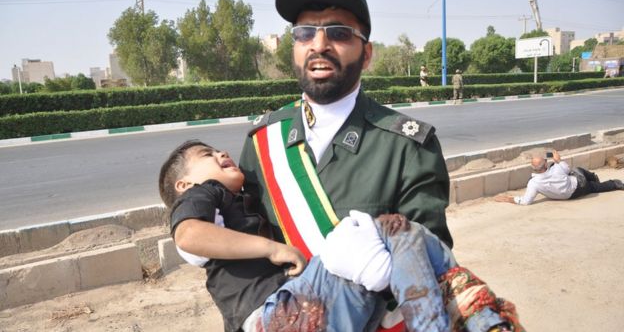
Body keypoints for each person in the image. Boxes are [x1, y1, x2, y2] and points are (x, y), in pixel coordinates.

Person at [236, 0, 453, 330]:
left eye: (338, 32)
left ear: (366, 54)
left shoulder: (408, 146)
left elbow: (430, 268)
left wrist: (379, 275)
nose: (318, 45)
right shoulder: (264, 140)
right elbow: (245, 251)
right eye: (305, 33)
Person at [159, 139, 519, 332]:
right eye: (207, 154)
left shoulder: (238, 200)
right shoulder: (203, 194)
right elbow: (188, 236)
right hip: (273, 316)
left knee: (407, 234)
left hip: (300, 311)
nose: (221, 152)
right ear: (184, 184)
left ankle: (481, 322)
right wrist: (271, 248)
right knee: (379, 232)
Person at [495, 149, 623, 205]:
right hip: (579, 186)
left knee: (591, 185)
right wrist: (558, 159)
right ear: (545, 164)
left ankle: (605, 183)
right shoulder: (557, 168)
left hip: (568, 197)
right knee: (578, 171)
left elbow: (525, 201)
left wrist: (507, 199)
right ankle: (602, 180)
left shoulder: (534, 183)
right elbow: (567, 169)